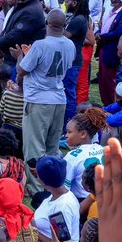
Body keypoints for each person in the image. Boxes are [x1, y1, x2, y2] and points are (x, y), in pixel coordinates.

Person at [17, 10, 76, 162]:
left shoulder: (40, 45)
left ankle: (35, 185)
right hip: (58, 98)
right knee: (52, 146)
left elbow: (22, 70)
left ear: (47, 23)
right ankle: (51, 183)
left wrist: (19, 56)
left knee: (34, 147)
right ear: (64, 25)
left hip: (38, 100)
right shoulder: (70, 45)